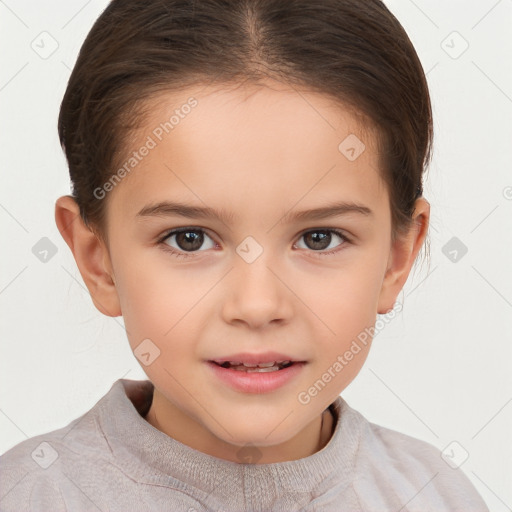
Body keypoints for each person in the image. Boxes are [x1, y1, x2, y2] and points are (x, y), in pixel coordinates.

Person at [0, 0, 489, 510]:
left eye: (319, 238)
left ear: (397, 256)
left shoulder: (436, 495)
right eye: (189, 238)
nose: (257, 306)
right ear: (96, 258)